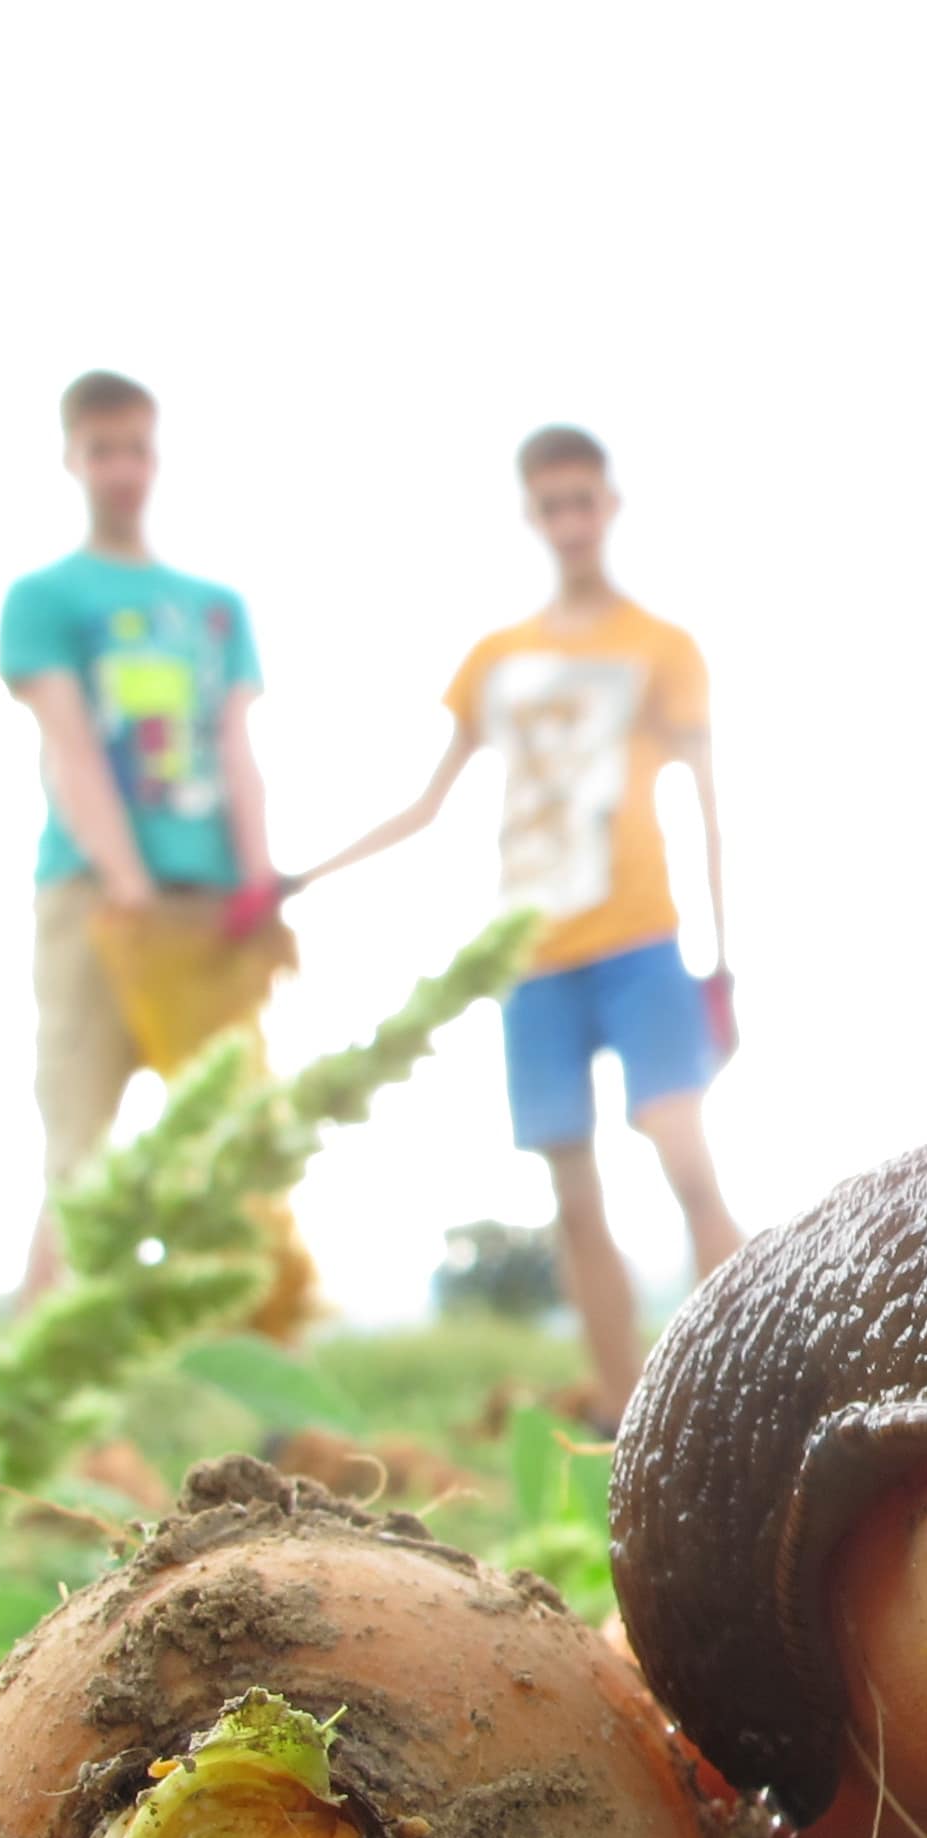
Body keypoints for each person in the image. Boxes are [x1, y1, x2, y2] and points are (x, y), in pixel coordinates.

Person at [291, 423, 739, 1420]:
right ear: (534, 517)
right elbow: (425, 804)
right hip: (531, 960)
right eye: (554, 506)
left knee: (683, 1158)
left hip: (642, 940)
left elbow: (707, 800)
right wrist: (302, 878)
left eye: (586, 500)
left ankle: (764, 1374)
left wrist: (722, 961)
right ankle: (637, 1426)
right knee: (573, 1199)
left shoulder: (660, 648)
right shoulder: (496, 660)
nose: (573, 521)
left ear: (609, 506)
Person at [0, 369, 305, 1318]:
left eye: (135, 447)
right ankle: (35, 1404)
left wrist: (257, 881)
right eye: (102, 450)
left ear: (155, 454)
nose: (121, 468)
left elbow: (235, 749)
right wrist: (124, 879)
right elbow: (73, 744)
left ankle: (283, 1424)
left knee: (244, 1151)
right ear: (72, 459)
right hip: (95, 903)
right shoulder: (46, 597)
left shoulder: (212, 609)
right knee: (82, 1162)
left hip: (208, 914)